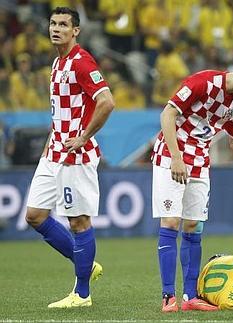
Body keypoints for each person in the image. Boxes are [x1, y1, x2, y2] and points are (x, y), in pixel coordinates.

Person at [151, 60, 233, 312]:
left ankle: (190, 297)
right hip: (171, 156)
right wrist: (176, 157)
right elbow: (167, 113)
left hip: (200, 161)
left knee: (193, 225)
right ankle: (168, 297)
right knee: (170, 222)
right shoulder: (202, 83)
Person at [24, 7, 115, 308]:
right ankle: (86, 266)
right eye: (53, 23)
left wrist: (84, 136)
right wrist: (50, 144)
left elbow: (106, 102)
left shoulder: (82, 62)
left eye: (64, 24)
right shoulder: (57, 62)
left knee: (78, 221)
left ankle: (82, 295)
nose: (56, 28)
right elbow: (60, 114)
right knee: (35, 216)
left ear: (76, 30)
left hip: (75, 155)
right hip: (53, 154)